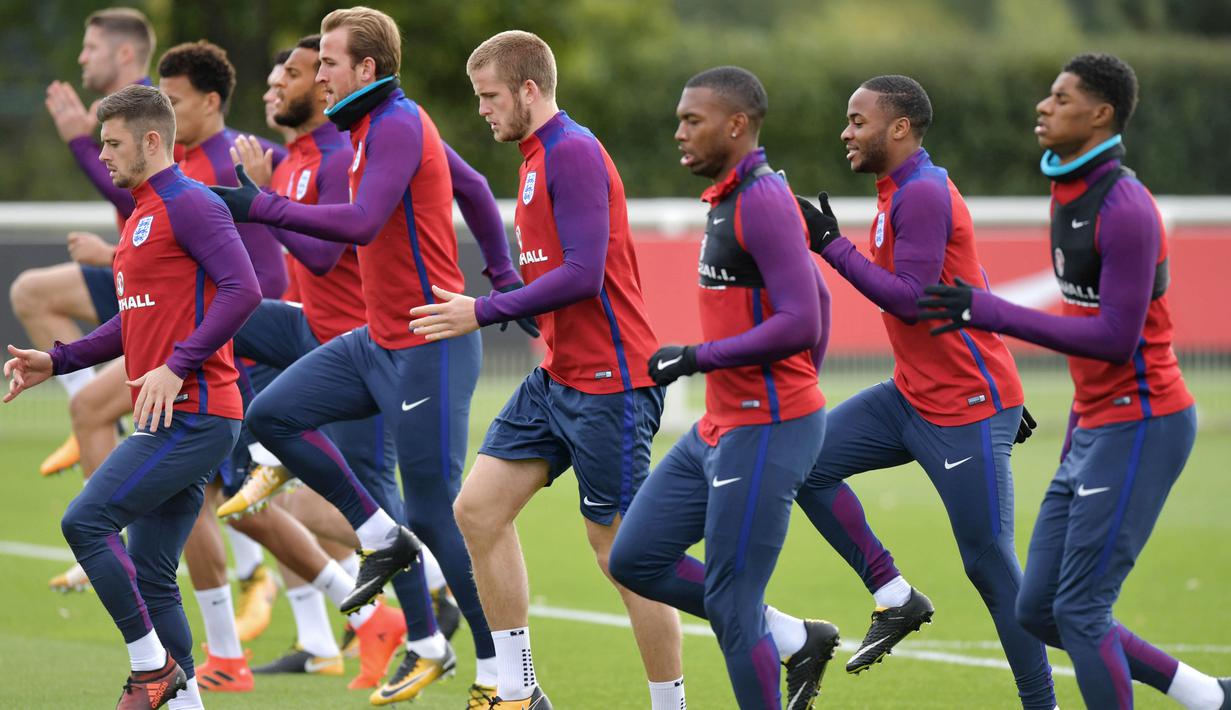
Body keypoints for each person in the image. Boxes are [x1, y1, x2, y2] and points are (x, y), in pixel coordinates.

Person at [209, 8, 526, 705]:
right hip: (376, 340)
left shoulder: (398, 123)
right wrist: (501, 274)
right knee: (272, 415)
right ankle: (382, 535)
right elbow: (470, 187)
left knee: (439, 515)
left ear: (366, 71)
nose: (319, 74)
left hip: (428, 346)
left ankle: (501, 673)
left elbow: (357, 225)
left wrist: (258, 205)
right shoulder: (369, 127)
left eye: (326, 62)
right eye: (316, 63)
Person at [918, 53, 1231, 710]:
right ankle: (1207, 697)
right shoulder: (1065, 192)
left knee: (1083, 610)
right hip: (1093, 424)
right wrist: (1076, 429)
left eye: (1060, 98)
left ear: (1100, 114)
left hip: (1143, 422)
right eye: (1047, 95)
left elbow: (1115, 338)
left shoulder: (1125, 207)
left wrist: (988, 308)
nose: (1042, 105)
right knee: (1039, 610)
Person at [408, 29, 684, 710]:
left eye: (490, 95)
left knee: (623, 559)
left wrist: (486, 307)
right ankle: (519, 690)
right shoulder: (533, 157)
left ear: (529, 90)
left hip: (611, 387)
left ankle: (677, 702)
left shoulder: (574, 152)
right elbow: (554, 273)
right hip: (559, 380)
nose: (482, 109)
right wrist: (513, 300)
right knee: (476, 510)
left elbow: (584, 275)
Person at [788, 74, 1057, 708]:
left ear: (900, 128)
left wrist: (829, 244)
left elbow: (912, 302)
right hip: (912, 397)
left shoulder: (923, 193)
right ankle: (895, 596)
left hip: (965, 408)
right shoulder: (898, 192)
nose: (845, 132)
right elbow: (963, 280)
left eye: (858, 121)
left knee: (991, 568)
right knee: (800, 464)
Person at [4, 84, 260, 710]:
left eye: (113, 143)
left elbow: (243, 289)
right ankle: (183, 699)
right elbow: (131, 322)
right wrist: (56, 358)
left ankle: (151, 669)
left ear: (152, 140)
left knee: (84, 521)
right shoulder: (141, 215)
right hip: (169, 414)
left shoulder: (190, 204)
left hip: (195, 414)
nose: (105, 155)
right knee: (151, 573)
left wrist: (178, 366)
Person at [604, 65, 834, 710]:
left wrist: (699, 358)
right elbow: (814, 296)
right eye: (680, 118)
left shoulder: (762, 199)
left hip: (766, 427)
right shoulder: (729, 198)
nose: (679, 131)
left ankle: (784, 641)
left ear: (737, 125)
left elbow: (804, 318)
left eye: (692, 120)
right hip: (722, 426)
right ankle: (796, 637)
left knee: (733, 605)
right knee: (635, 559)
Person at [13, 6, 156, 480]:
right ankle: (93, 421)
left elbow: (139, 188)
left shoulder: (156, 109)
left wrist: (78, 141)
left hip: (163, 287)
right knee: (32, 293)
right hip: (132, 269)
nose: (81, 58)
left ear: (125, 52)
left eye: (91, 47)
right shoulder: (119, 113)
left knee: (213, 472)